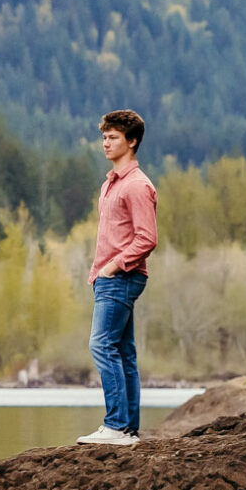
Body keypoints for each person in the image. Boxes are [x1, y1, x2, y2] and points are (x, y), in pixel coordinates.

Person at [80, 109, 157, 445]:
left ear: (132, 141)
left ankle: (115, 425)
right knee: (123, 352)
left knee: (101, 345)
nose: (106, 143)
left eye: (113, 137)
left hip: (121, 277)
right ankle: (127, 429)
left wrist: (113, 267)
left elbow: (147, 238)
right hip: (109, 278)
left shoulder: (138, 186)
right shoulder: (111, 184)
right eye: (104, 137)